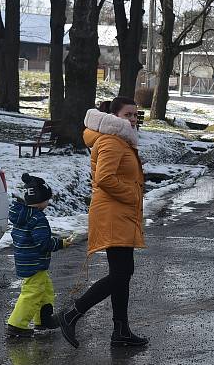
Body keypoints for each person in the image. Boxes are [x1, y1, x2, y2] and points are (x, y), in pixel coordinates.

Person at [58, 97, 148, 348]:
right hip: (113, 214)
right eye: (127, 114)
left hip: (121, 213)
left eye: (135, 115)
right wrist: (133, 194)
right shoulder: (111, 140)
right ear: (113, 116)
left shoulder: (122, 140)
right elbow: (104, 178)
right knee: (121, 273)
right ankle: (72, 314)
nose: (132, 119)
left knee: (122, 274)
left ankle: (121, 330)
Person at [7, 173, 74, 338]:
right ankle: (17, 324)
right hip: (35, 263)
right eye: (47, 199)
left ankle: (43, 319)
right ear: (40, 201)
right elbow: (43, 244)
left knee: (45, 290)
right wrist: (61, 243)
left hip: (27, 262)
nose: (48, 202)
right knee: (32, 293)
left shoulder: (22, 217)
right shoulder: (38, 219)